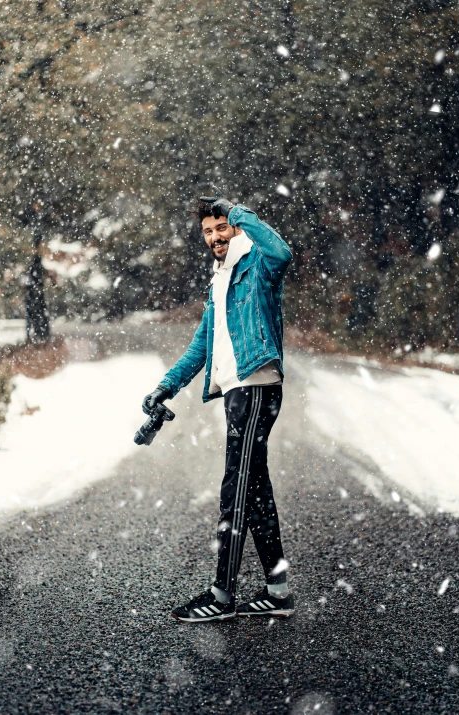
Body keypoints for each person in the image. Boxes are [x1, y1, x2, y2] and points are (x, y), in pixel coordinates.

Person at [143, 189, 295, 622]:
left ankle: (222, 596)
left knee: (236, 487)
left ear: (235, 226)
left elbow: (281, 251)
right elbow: (201, 345)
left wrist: (236, 211)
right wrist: (165, 386)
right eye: (207, 231)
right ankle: (278, 591)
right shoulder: (221, 277)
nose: (214, 237)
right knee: (255, 489)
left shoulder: (257, 265)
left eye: (220, 227)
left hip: (257, 386)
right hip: (235, 392)